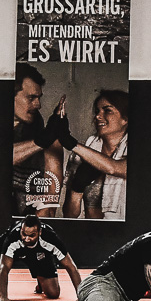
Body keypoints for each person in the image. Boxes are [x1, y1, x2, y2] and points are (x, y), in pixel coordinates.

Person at [58, 90, 129, 220]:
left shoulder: (138, 148)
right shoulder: (82, 154)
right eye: (97, 112)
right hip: (90, 232)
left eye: (107, 110)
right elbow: (69, 214)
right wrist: (77, 187)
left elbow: (115, 168)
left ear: (125, 119)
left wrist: (70, 142)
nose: (97, 117)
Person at [0, 214, 83, 301]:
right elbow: (4, 267)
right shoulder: (13, 236)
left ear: (39, 232)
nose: (27, 239)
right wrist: (3, 297)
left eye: (32, 235)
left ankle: (41, 282)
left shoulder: (50, 237)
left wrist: (81, 296)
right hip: (16, 249)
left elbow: (70, 266)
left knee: (53, 293)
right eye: (24, 234)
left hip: (40, 255)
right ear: (21, 230)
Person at [12, 63, 63, 216]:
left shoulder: (48, 138)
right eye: (31, 97)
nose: (38, 105)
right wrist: (42, 140)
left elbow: (49, 204)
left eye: (38, 98)